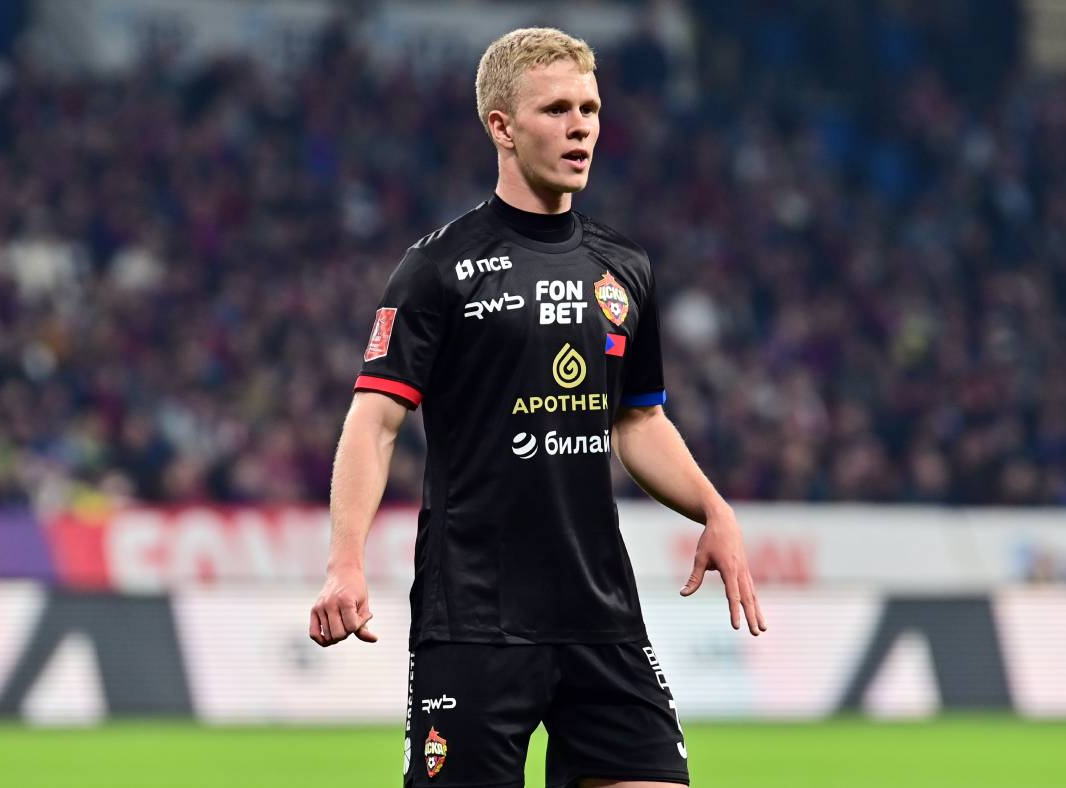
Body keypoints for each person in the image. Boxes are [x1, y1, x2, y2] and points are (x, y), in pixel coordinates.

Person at [308, 27, 765, 788]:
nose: (580, 126)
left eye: (590, 108)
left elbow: (638, 421)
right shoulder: (438, 268)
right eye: (556, 109)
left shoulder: (624, 267)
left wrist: (713, 509)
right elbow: (375, 420)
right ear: (502, 126)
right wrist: (344, 564)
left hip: (600, 613)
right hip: (476, 618)